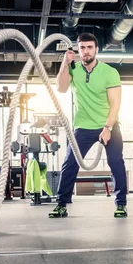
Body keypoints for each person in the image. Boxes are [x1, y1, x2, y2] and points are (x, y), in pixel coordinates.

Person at [51, 32, 127, 218]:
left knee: (116, 162)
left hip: (108, 125)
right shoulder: (74, 69)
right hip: (83, 127)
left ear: (96, 50)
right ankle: (61, 204)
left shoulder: (109, 72)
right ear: (77, 49)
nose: (86, 51)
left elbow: (115, 104)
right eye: (82, 48)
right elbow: (60, 88)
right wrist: (65, 63)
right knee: (70, 163)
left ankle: (121, 204)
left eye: (89, 47)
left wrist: (108, 128)